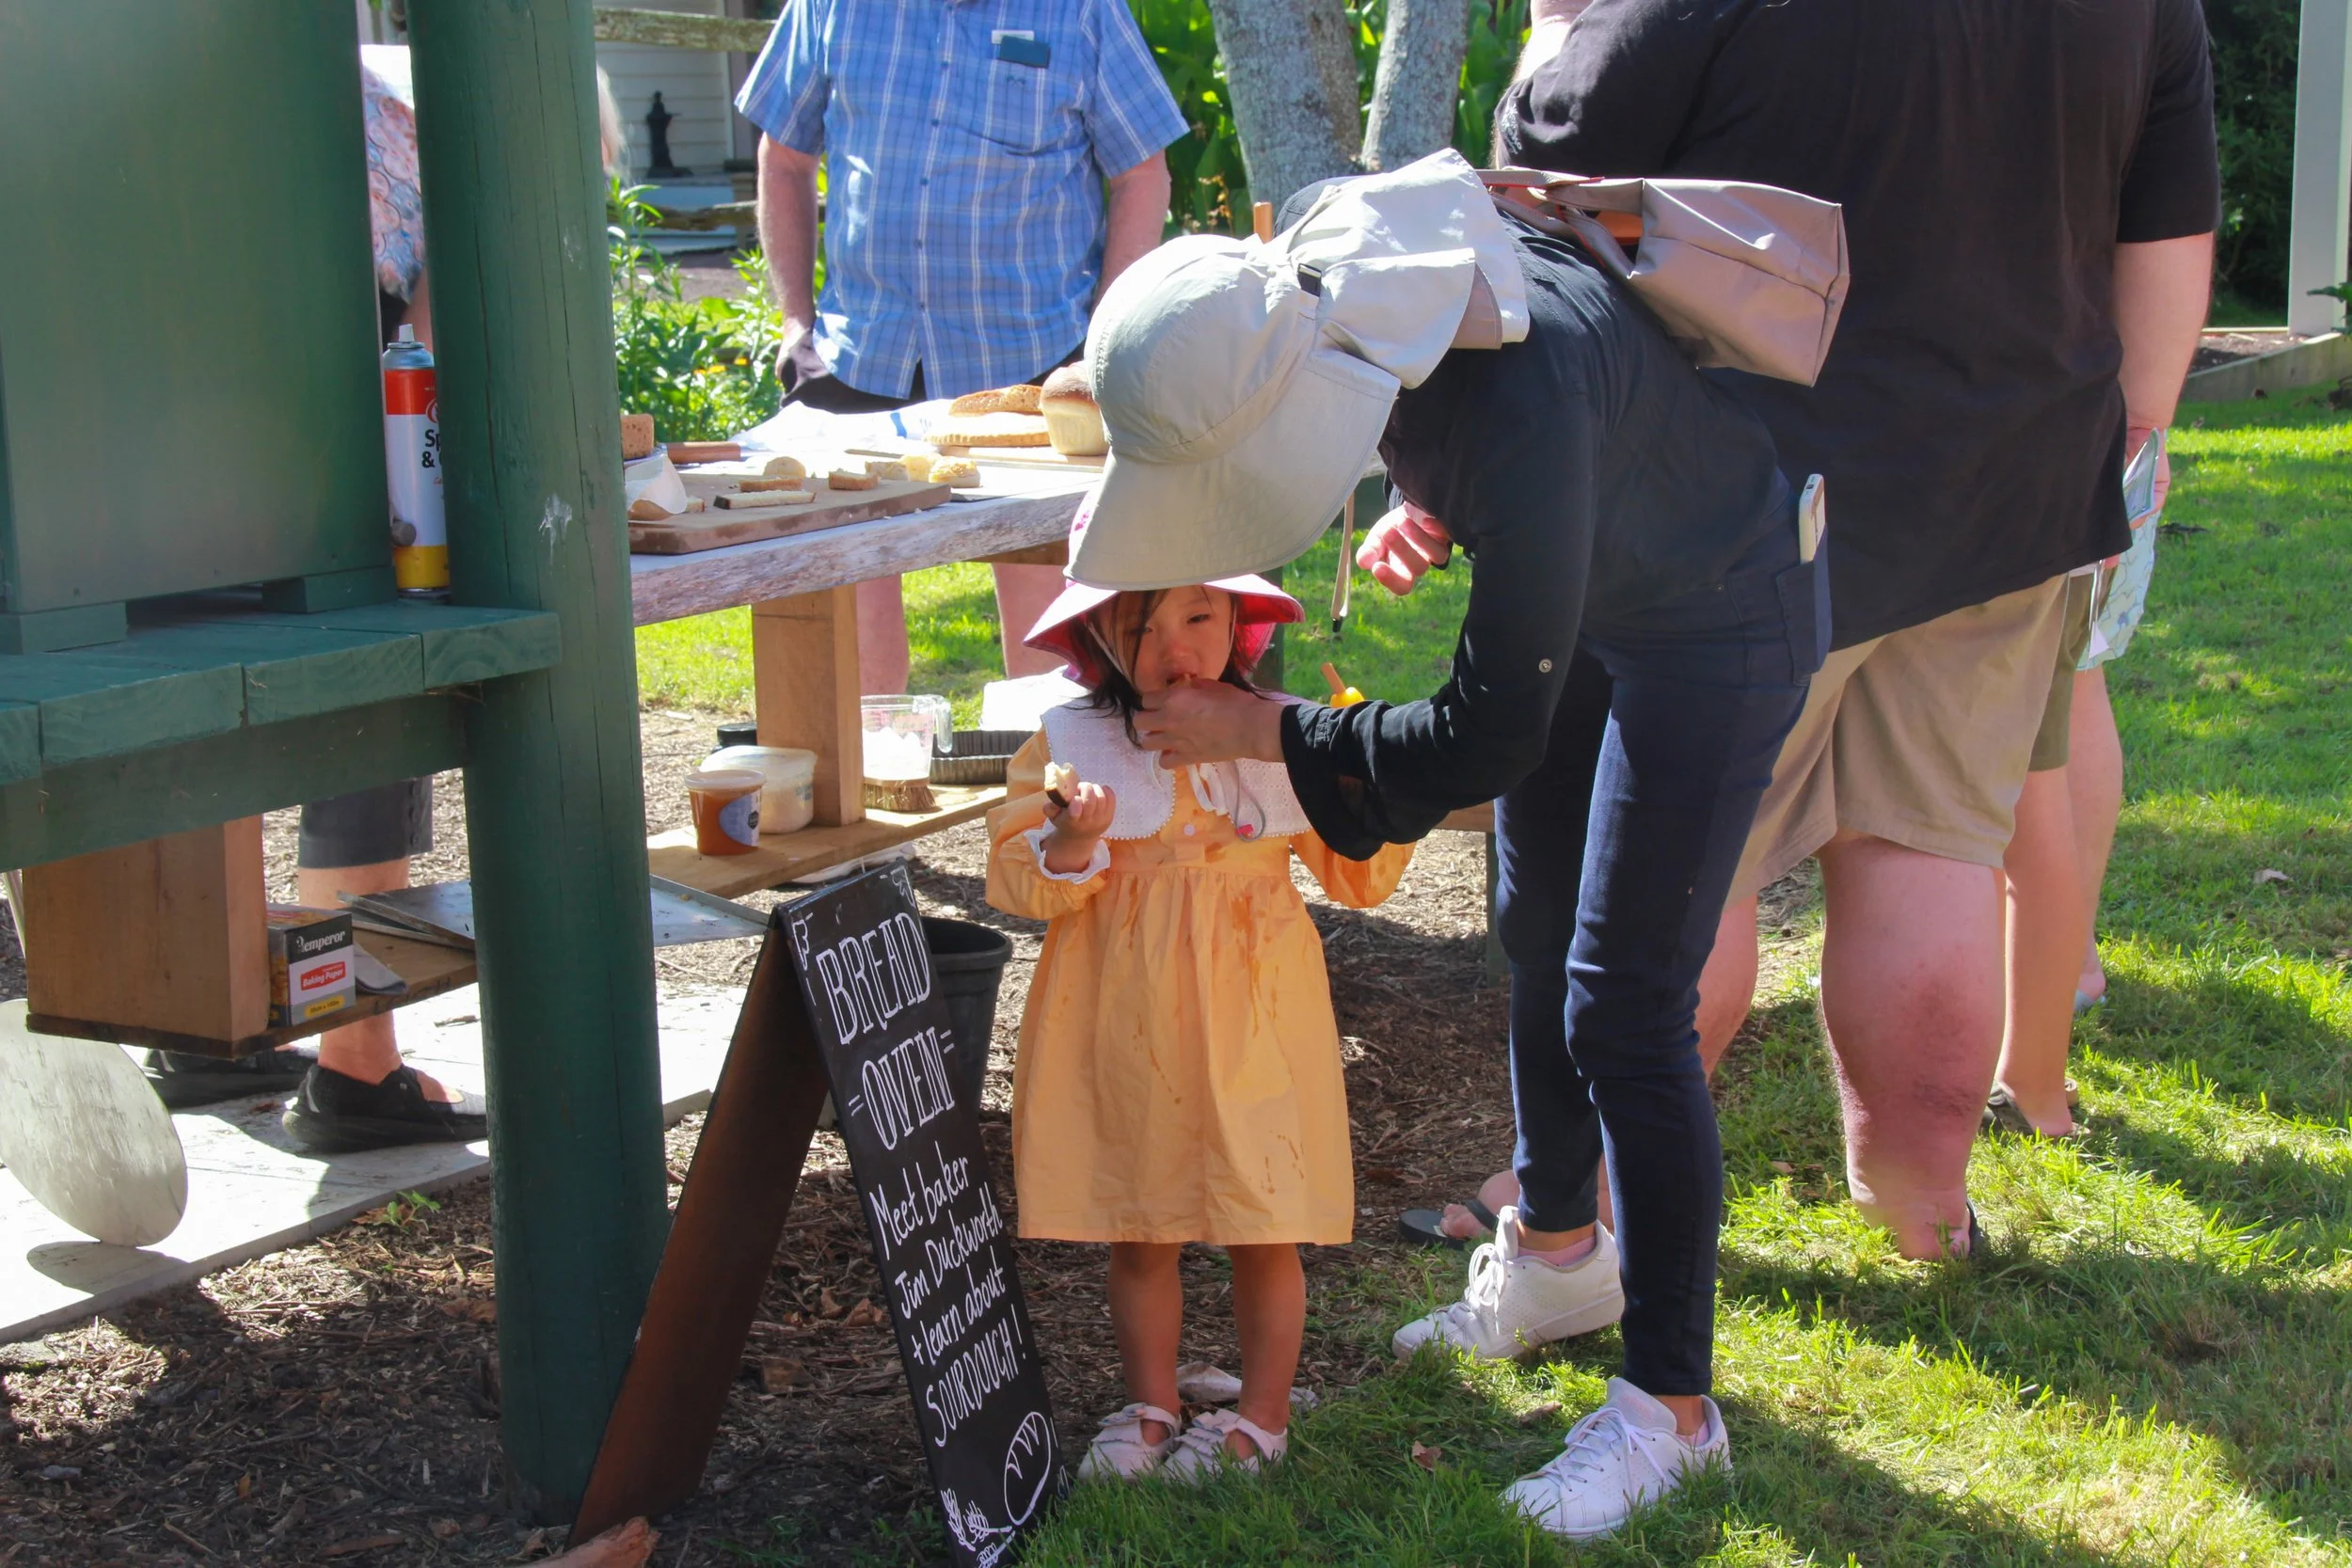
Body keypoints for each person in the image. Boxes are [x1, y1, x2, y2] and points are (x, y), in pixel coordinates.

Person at [1082, 152, 1823, 1535]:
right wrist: (1456, 506)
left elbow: (1488, 737)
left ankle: (1671, 1407)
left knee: (1627, 1001)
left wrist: (1273, 731)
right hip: (1615, 572)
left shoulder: (1507, 402)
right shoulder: (1342, 269)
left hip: (1730, 601)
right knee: (1533, 926)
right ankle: (1555, 1254)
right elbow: (1534, 423)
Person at [1488, 0, 2218, 1256]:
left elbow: (1548, 159)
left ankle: (1584, 1206)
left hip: (1741, 484)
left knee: (1676, 868)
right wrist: (2127, 446)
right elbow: (2168, 227)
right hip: (2008, 475)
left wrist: (1556, 19)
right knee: (1926, 846)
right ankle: (1923, 1199)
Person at [985, 545, 1413, 1480]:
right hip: (1128, 1016)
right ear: (1097, 634)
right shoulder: (1068, 743)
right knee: (1143, 1224)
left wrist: (1370, 783)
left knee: (1265, 1220)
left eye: (1195, 617)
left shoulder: (1284, 732)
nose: (1171, 645)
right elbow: (1018, 879)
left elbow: (1359, 875)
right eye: (1140, 625)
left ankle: (1260, 1415)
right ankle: (1149, 1399)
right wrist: (1068, 839)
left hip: (1257, 1014)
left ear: (1237, 625)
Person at [735, 0, 1185, 693]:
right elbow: (784, 156)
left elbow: (1142, 173)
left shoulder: (1081, 10)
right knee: (842, 643)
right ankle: (873, 782)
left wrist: (1101, 345)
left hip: (1032, 359)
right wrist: (795, 323)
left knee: (1051, 656)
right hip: (858, 350)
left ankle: (1052, 794)